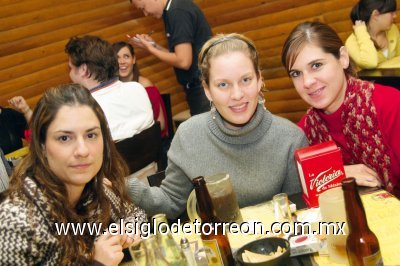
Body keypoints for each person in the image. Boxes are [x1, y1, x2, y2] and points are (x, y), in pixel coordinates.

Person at [127, 33, 308, 219]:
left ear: (259, 80)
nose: (237, 94)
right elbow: (170, 201)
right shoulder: (189, 135)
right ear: (207, 90)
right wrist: (122, 186)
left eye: (245, 80)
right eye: (223, 85)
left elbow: (298, 215)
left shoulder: (291, 139)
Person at [0, 84, 147, 265]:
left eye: (91, 135)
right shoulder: (15, 221)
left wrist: (127, 230)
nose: (83, 150)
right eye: (64, 138)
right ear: (42, 146)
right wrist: (97, 263)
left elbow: (136, 214)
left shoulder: (95, 188)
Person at [281, 21, 400, 197]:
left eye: (316, 65)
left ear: (343, 58)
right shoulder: (303, 132)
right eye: (296, 74)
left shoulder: (390, 104)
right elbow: (297, 178)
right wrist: (339, 172)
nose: (307, 82)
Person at [129, 0, 212, 116]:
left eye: (143, 8)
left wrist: (151, 49)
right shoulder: (172, 10)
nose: (145, 14)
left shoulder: (177, 11)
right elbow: (179, 56)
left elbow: (183, 62)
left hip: (202, 88)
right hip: (198, 88)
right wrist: (154, 46)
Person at [65, 35, 154, 142]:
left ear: (83, 69)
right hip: (150, 157)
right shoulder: (137, 88)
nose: (70, 73)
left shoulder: (87, 108)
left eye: (70, 68)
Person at [112, 41, 168, 138]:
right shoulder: (112, 90)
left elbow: (161, 124)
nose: (122, 61)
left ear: (133, 59)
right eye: (117, 58)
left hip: (152, 142)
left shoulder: (145, 86)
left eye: (126, 56)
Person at [345, 0, 399, 69]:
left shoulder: (392, 29)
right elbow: (371, 63)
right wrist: (361, 32)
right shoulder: (351, 43)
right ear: (376, 15)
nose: (395, 16)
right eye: (391, 13)